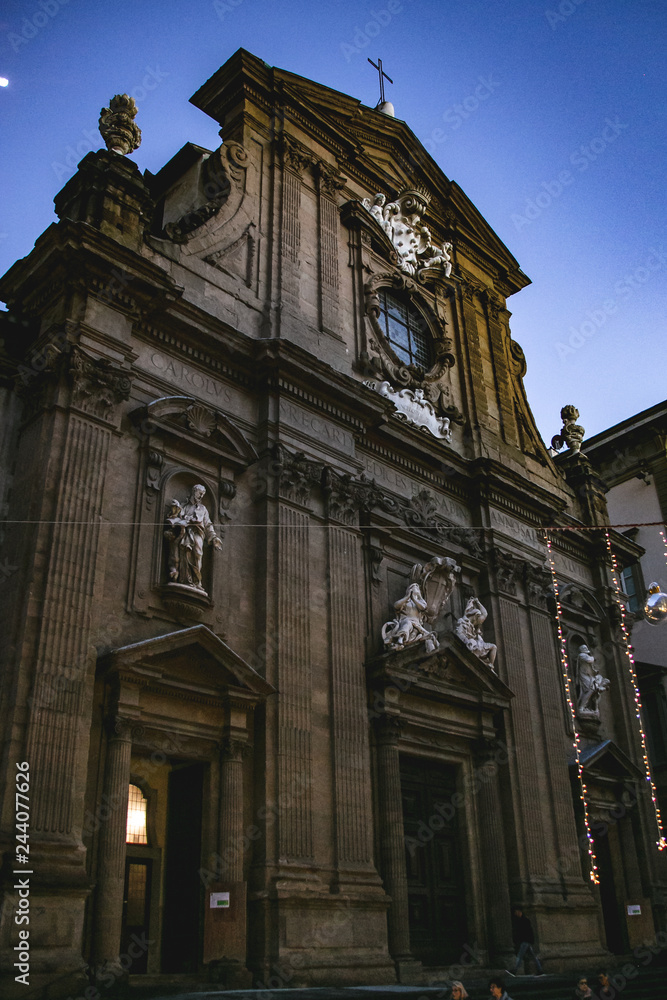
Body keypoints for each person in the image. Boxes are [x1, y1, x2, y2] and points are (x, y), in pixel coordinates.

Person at [505, 906, 544, 977]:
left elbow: (526, 932)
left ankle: (515, 970)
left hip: (525, 941)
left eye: (516, 912)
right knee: (533, 956)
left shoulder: (523, 921)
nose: (516, 913)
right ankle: (540, 970)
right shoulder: (524, 920)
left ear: (520, 912)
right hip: (527, 941)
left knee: (520, 955)